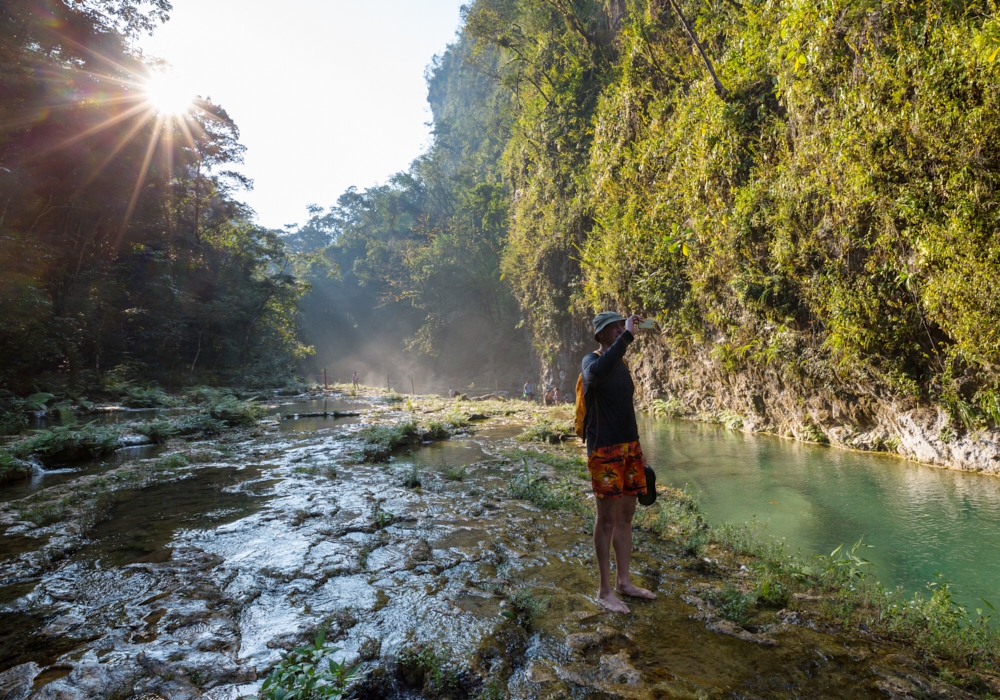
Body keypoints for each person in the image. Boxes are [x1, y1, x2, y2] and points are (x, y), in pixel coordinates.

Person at [582, 311, 656, 613]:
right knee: (607, 519)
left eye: (619, 326)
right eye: (611, 328)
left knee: (625, 518)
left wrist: (639, 451)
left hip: (629, 448)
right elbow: (598, 372)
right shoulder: (591, 361)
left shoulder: (622, 363)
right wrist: (625, 336)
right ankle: (604, 590)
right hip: (605, 451)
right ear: (600, 335)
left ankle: (624, 582)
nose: (617, 330)